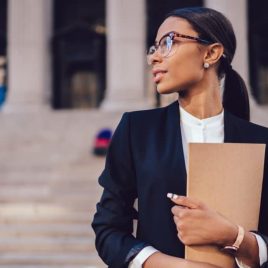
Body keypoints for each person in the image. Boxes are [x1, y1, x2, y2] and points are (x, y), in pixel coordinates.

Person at [92, 7, 268, 268]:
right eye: (153, 48)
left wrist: (233, 236)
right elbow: (108, 230)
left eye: (168, 42)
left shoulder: (260, 141)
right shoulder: (136, 130)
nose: (153, 58)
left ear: (211, 53)